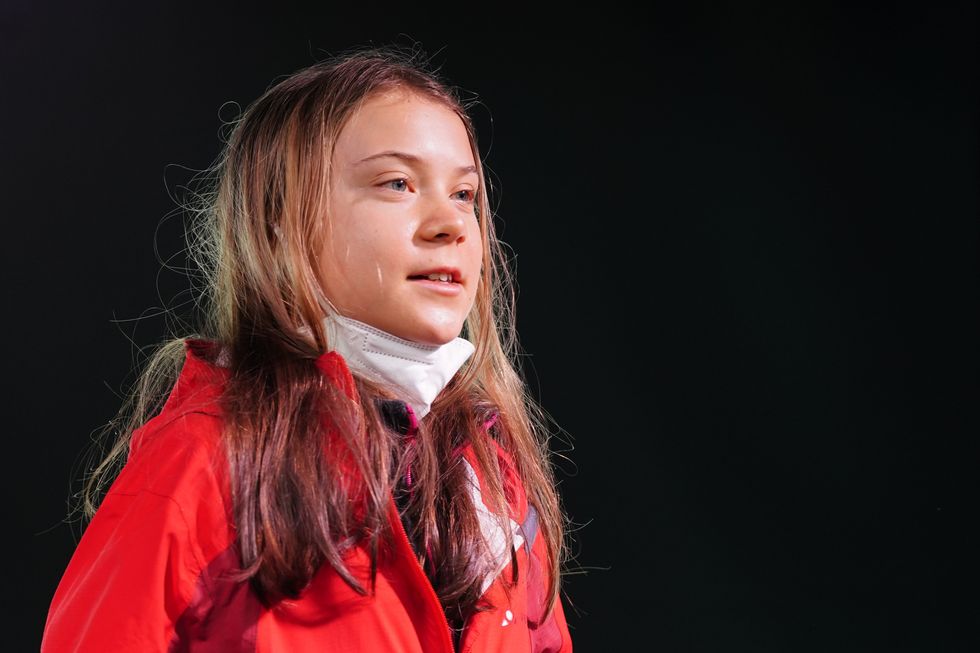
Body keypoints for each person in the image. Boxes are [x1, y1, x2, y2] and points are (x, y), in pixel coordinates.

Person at [41, 44, 574, 652]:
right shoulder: (211, 462)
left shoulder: (492, 478)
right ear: (282, 221)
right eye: (397, 183)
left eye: (464, 195)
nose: (450, 224)